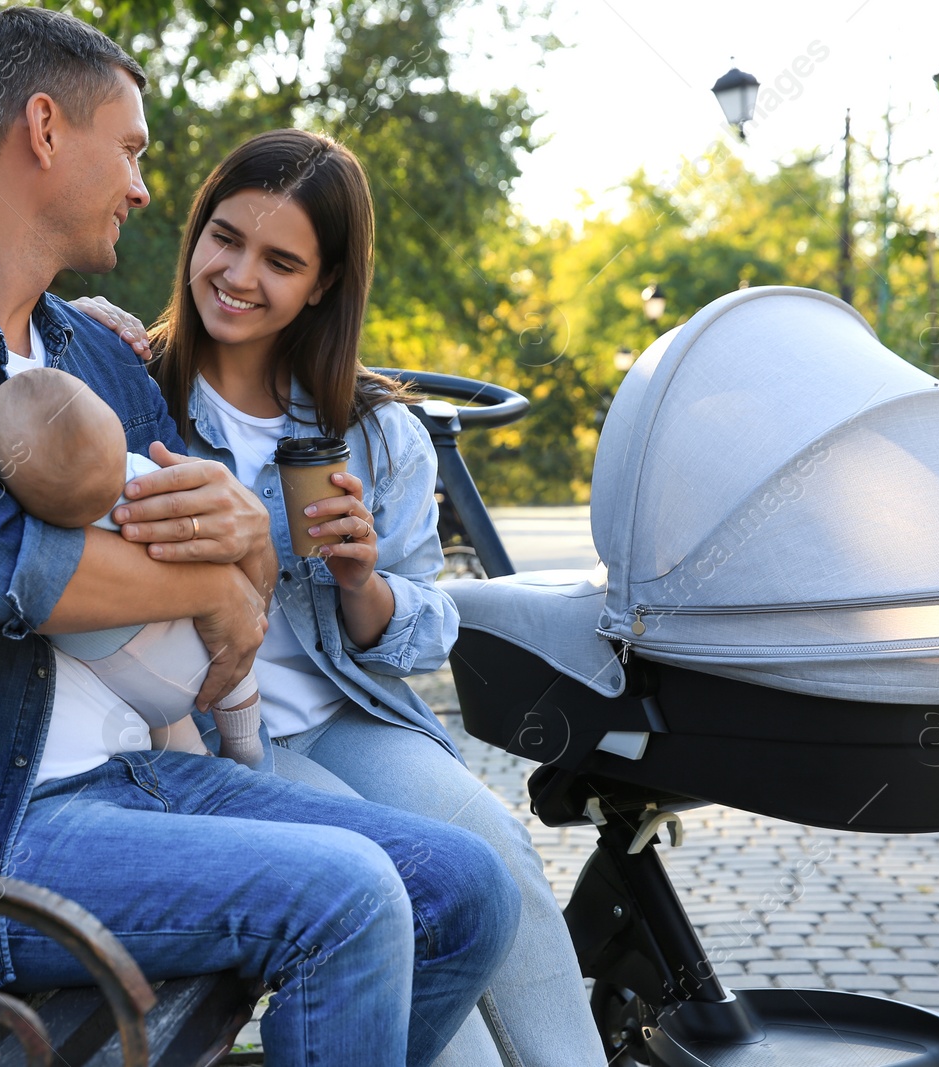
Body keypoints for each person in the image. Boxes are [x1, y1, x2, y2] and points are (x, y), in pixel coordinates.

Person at [0, 9, 519, 1066]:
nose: (143, 186)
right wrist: (212, 588)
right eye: (130, 148)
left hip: (131, 780)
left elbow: (243, 563)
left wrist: (240, 549)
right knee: (346, 900)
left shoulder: (91, 351)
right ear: (43, 129)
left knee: (467, 885)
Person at [82, 128, 608, 1067]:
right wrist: (73, 318)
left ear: (322, 284)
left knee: (500, 856)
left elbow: (423, 620)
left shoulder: (373, 432)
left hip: (348, 714)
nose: (239, 275)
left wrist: (364, 584)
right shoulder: (129, 386)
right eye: (225, 238)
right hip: (217, 740)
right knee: (407, 903)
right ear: (195, 231)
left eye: (281, 261)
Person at [0, 365, 263, 765]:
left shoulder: (22, 509)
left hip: (119, 679)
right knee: (239, 684)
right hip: (190, 648)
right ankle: (246, 750)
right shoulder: (141, 479)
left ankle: (201, 764)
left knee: (177, 744)